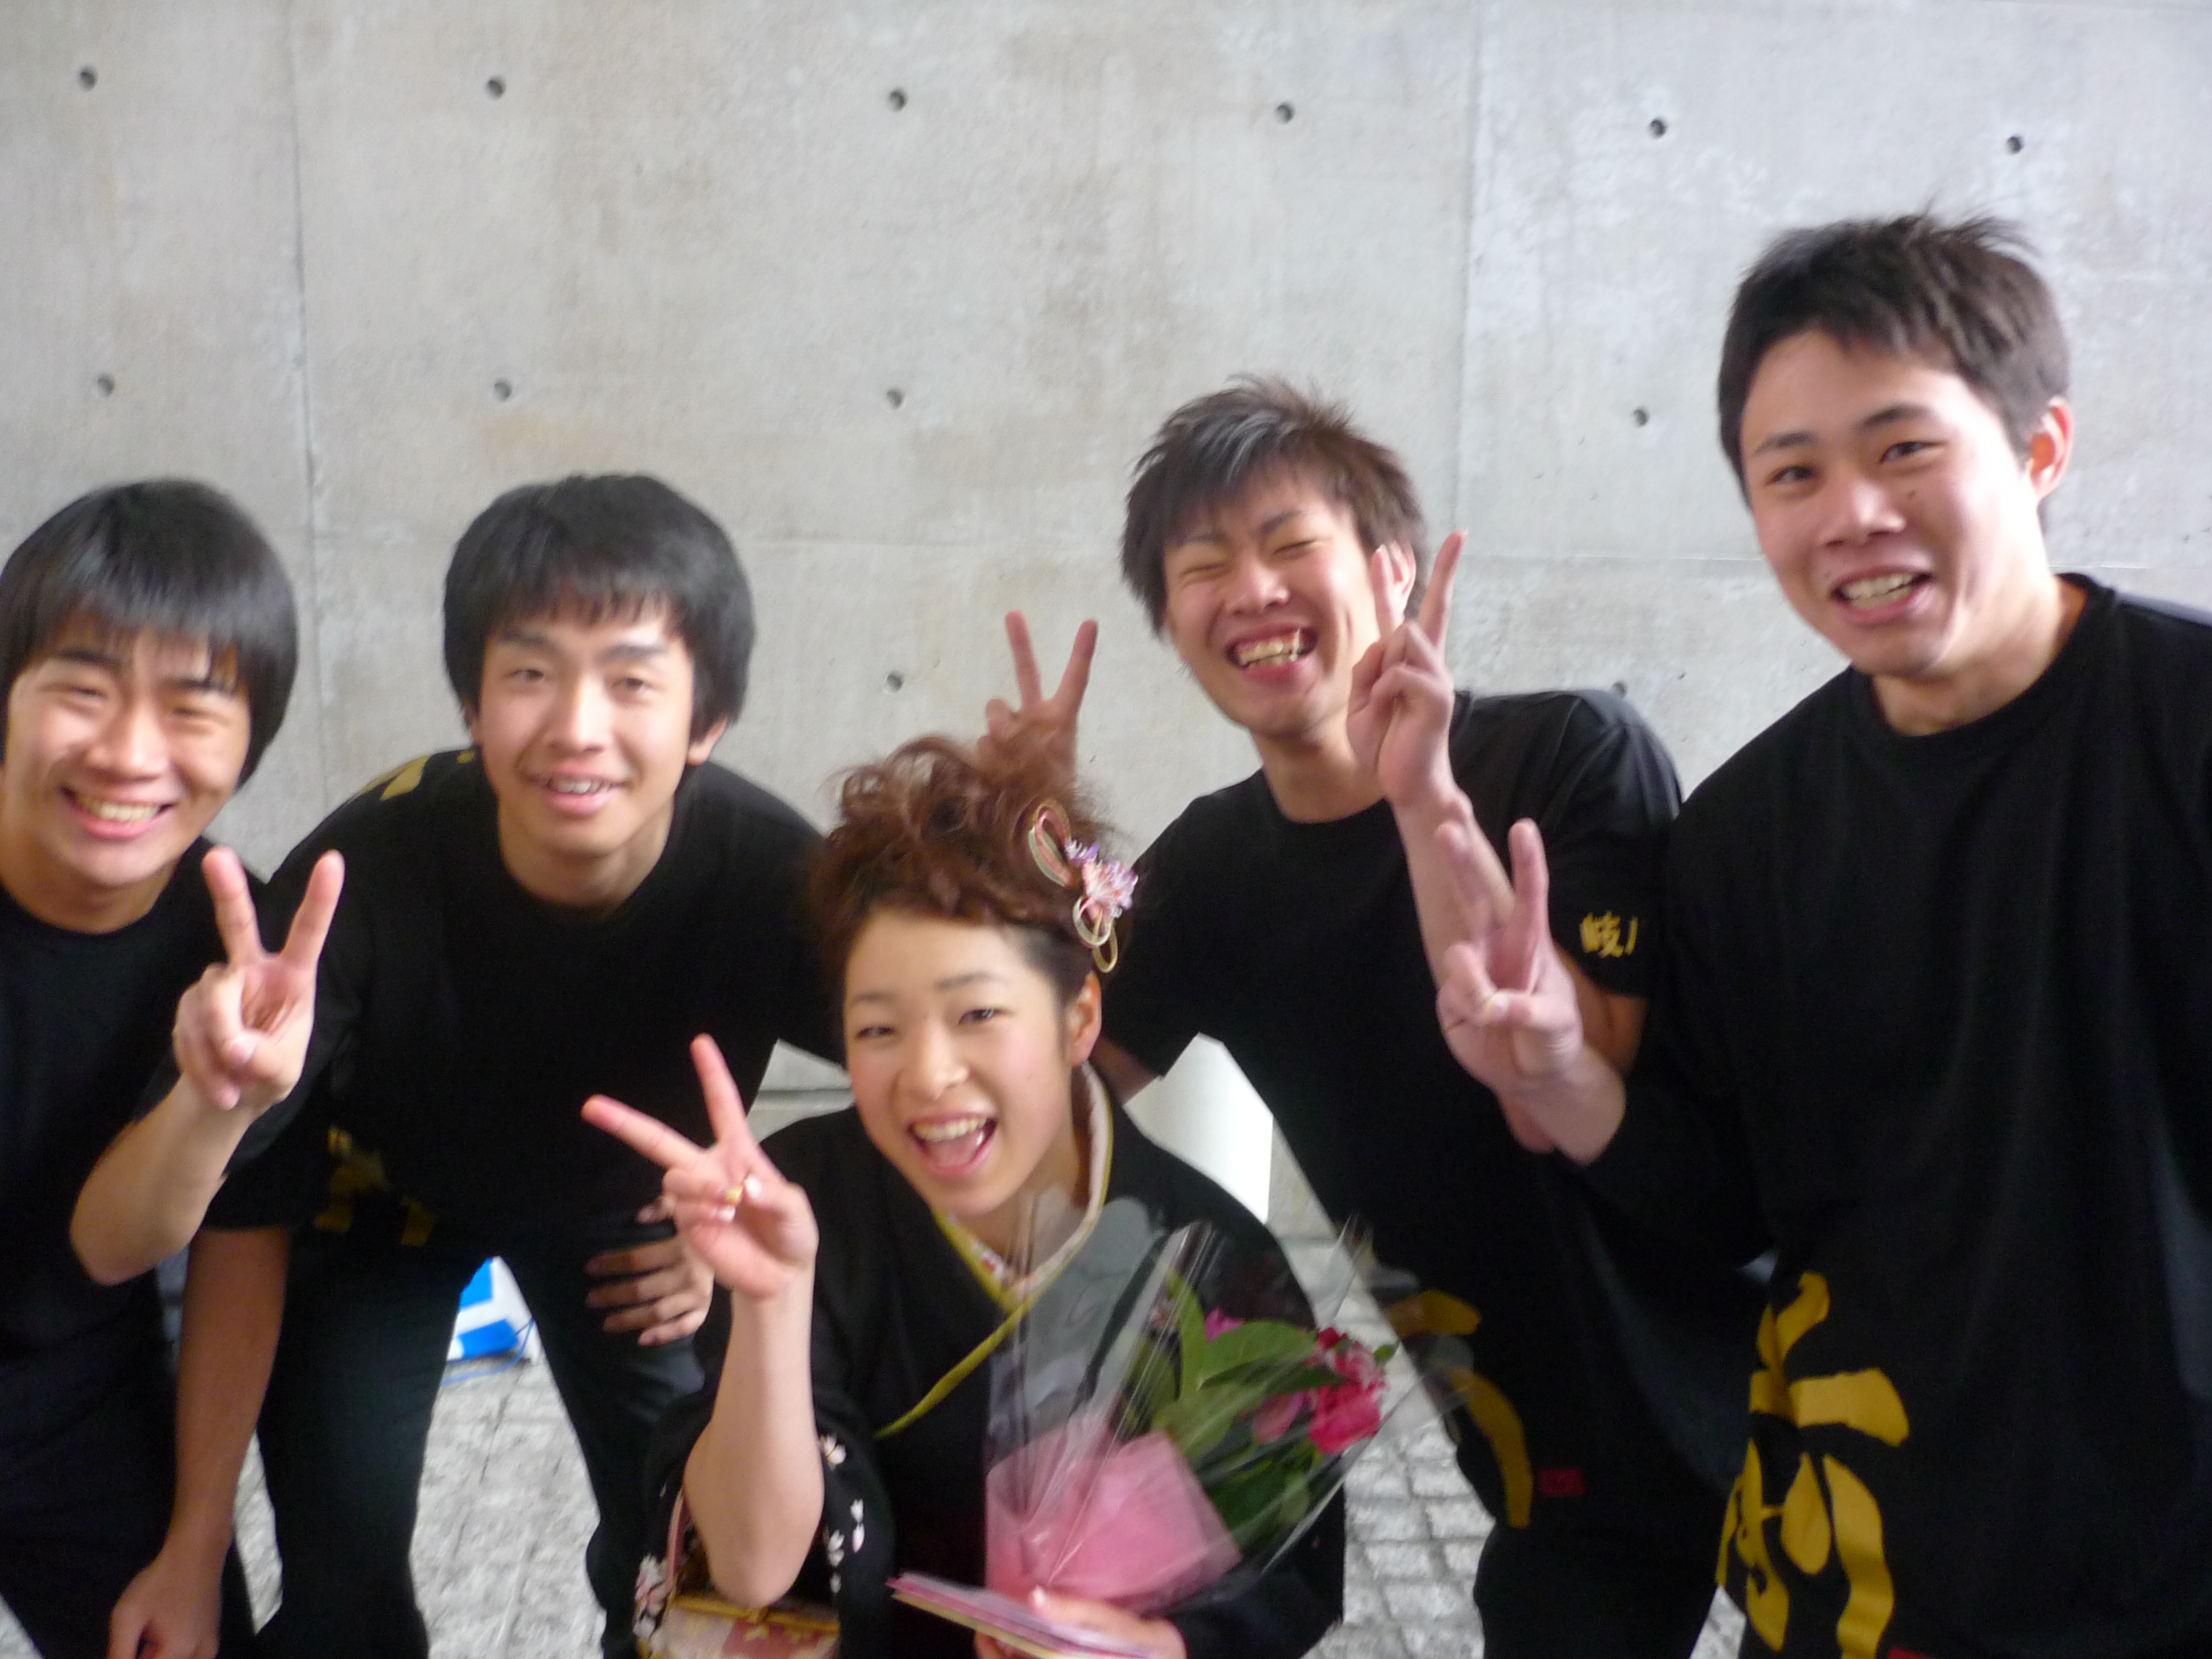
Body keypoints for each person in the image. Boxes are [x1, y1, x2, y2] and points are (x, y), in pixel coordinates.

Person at [1419, 213, 2212, 1658]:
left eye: (1904, 449)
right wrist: (1564, 1076)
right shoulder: (1746, 837)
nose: (1851, 512)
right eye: (1792, 473)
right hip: (1866, 1577)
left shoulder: (2186, 729)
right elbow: (1726, 1205)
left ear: (2040, 449)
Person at [985, 379, 1761, 1657]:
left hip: (1750, 1378)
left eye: (1290, 543)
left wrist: (1423, 800)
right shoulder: (1212, 871)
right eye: (1202, 568)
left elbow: (1594, 1060)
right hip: (1543, 1446)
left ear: (1391, 570)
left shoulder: (1570, 754)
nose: (1251, 590)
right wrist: (1033, 852)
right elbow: (1047, 1104)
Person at [73, 474, 842, 1659]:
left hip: (626, 1221)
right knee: (342, 1585)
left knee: (684, 1566)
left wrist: (740, 1232)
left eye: (631, 681)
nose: (576, 725)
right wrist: (193, 1539)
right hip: (379, 1208)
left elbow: (927, 1088)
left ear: (708, 719)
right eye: (530, 672)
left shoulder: (771, 875)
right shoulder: (362, 875)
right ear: (474, 704)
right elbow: (241, 1220)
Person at [586, 737, 1343, 1659]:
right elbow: (750, 1569)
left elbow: (1287, 1573)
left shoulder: (1214, 1252)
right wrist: (774, 1303)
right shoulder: (800, 1205)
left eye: (978, 1013)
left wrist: (1160, 1646)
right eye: (878, 1028)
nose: (928, 1074)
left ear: (1079, 1017)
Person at [0, 480, 308, 1658]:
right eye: (82, 691)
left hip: (80, 1395)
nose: (130, 755)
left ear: (250, 741)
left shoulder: (249, 967)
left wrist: (192, 1544)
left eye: (191, 708)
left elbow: (217, 1255)